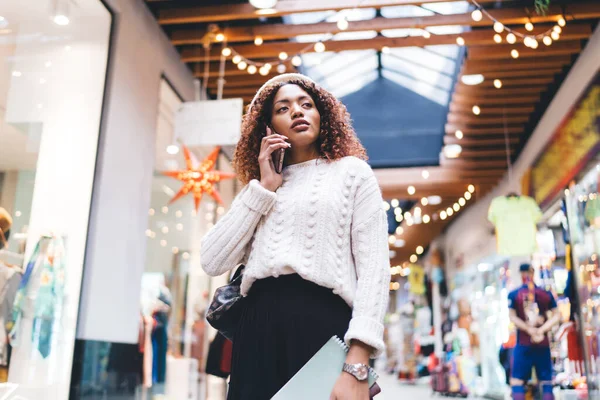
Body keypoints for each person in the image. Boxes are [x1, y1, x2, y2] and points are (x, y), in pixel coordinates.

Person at [200, 73, 391, 400]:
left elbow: (375, 268)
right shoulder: (261, 188)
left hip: (323, 327)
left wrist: (358, 360)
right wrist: (263, 188)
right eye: (283, 108)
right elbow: (211, 259)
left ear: (323, 115)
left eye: (307, 105)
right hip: (257, 329)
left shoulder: (352, 173)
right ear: (268, 126)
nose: (298, 112)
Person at [507, 263, 560, 400]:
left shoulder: (514, 294)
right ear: (533, 273)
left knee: (517, 380)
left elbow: (512, 317)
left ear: (521, 274)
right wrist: (541, 330)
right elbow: (557, 315)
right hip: (542, 343)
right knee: (546, 380)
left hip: (524, 343)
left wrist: (528, 329)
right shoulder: (545, 294)